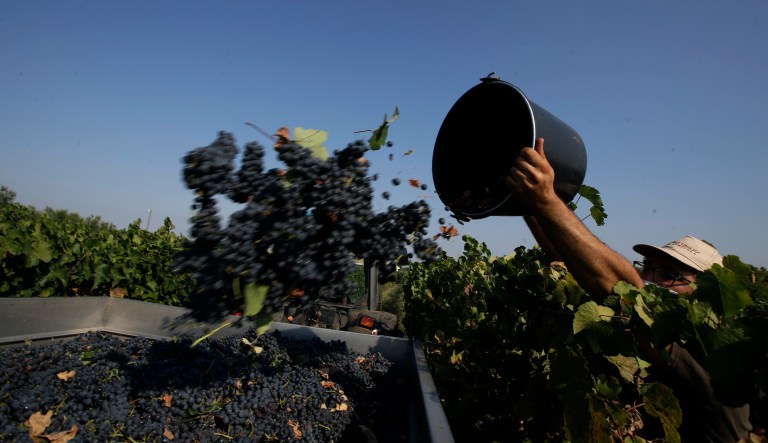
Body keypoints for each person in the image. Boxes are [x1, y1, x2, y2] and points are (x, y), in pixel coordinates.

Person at [504, 138, 752, 442]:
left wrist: (546, 200)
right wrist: (528, 203)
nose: (651, 280)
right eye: (648, 267)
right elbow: (570, 262)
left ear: (708, 296)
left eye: (670, 275)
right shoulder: (643, 334)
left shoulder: (712, 361)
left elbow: (627, 295)